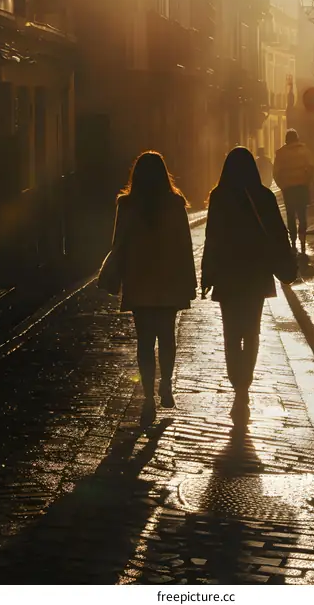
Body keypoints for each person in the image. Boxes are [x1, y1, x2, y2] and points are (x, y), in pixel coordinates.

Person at [201, 147, 292, 426]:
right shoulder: (264, 196)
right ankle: (244, 388)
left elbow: (212, 237)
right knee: (252, 332)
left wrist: (207, 275)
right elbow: (278, 232)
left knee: (231, 333)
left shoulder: (219, 197)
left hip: (229, 275)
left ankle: (237, 384)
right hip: (256, 274)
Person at [111, 152, 197, 428]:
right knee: (167, 335)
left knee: (145, 340)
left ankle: (148, 395)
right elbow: (185, 244)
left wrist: (118, 274)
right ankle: (167, 384)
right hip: (169, 277)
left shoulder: (126, 205)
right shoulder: (175, 203)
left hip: (139, 278)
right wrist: (191, 281)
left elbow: (118, 244)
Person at [273, 129, 314, 256]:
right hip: (302, 187)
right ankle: (302, 241)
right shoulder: (305, 151)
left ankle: (293, 241)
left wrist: (282, 185)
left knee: (290, 215)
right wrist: (307, 181)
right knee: (302, 214)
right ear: (297, 138)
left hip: (288, 189)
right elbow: (312, 167)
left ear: (286, 140)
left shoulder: (281, 153)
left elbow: (276, 173)